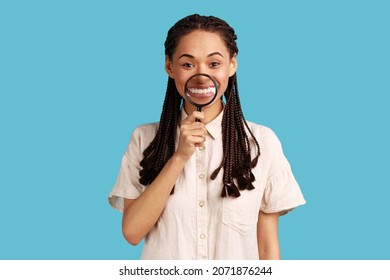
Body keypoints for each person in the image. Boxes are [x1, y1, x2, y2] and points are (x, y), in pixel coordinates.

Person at [108, 14, 305, 260]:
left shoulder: (262, 142)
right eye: (188, 65)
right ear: (170, 67)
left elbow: (267, 247)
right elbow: (132, 232)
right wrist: (179, 156)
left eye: (214, 64)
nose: (201, 75)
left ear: (232, 65)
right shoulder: (144, 138)